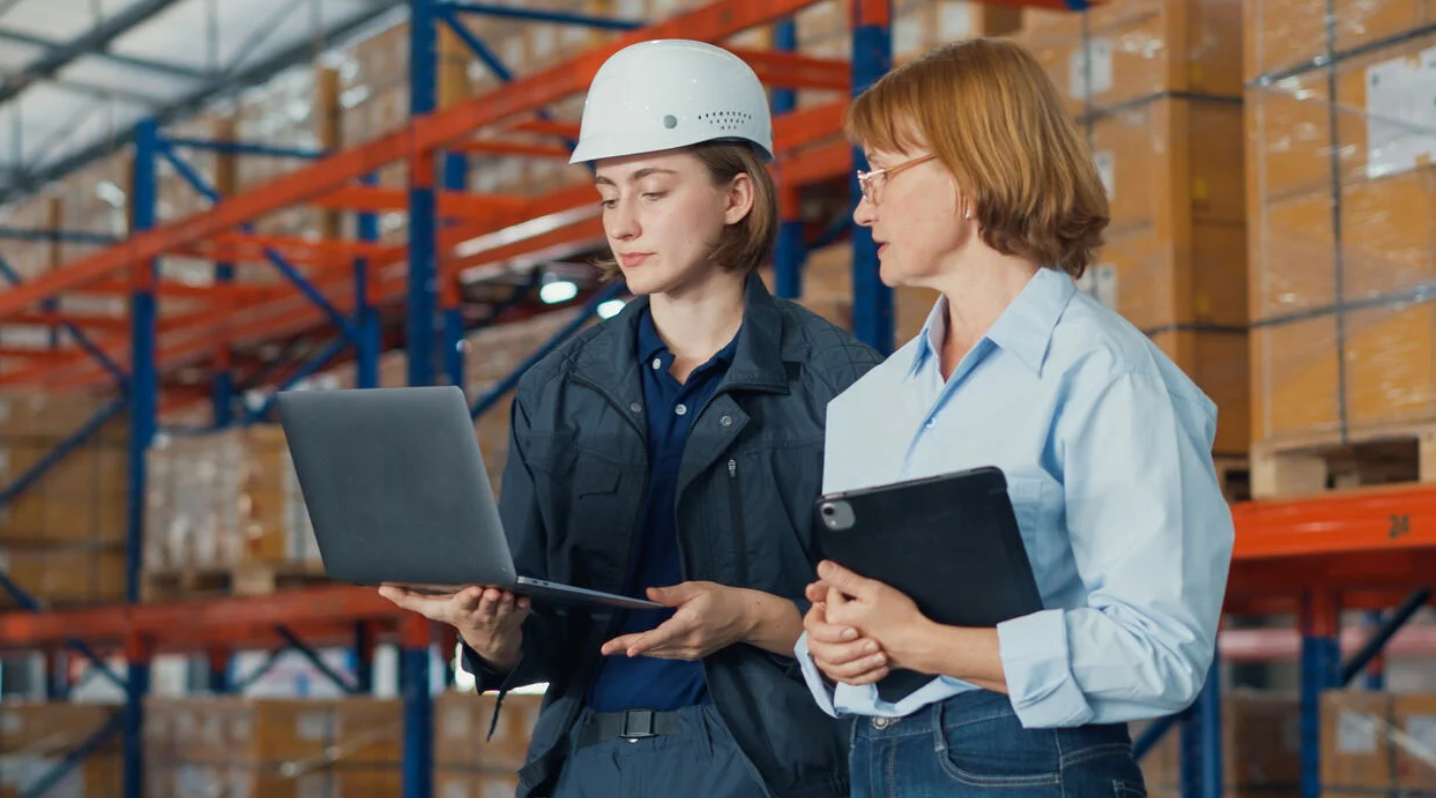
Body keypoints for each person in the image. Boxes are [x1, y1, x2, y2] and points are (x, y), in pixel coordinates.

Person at [380, 39, 881, 798]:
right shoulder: (558, 392)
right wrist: (490, 637)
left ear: (736, 196)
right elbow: (539, 630)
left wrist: (751, 618)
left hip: (766, 770)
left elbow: (886, 631)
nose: (623, 224)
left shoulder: (844, 385)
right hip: (587, 766)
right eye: (609, 195)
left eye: (653, 191)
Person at [795, 38, 1236, 797]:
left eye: (883, 175)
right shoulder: (871, 402)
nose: (863, 208)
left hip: (1022, 765)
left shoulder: (1104, 375)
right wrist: (830, 646)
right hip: (871, 760)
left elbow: (1159, 650)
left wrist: (926, 643)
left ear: (970, 173)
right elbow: (857, 613)